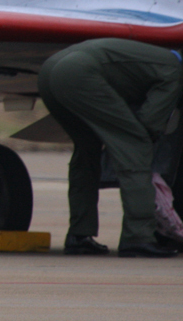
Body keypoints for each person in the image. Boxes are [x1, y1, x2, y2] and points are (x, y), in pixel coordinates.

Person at [38, 38, 183, 258]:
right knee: (136, 145)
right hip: (79, 74)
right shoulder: (174, 72)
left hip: (51, 70)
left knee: (87, 149)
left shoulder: (157, 58)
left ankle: (79, 235)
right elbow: (150, 122)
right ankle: (138, 237)